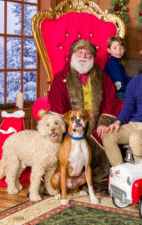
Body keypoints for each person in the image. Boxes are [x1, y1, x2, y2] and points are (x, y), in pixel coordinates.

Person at [47, 39, 122, 189]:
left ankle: (93, 179)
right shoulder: (61, 78)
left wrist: (103, 123)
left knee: (105, 140)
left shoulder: (103, 77)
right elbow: (56, 106)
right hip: (71, 128)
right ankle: (68, 179)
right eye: (80, 52)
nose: (83, 56)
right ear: (73, 55)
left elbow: (111, 102)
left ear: (92, 58)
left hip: (96, 128)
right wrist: (69, 126)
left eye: (87, 53)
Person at [101, 43, 142, 165]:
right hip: (134, 124)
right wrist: (118, 122)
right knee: (108, 136)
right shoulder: (135, 82)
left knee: (136, 137)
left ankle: (139, 175)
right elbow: (128, 108)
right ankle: (122, 171)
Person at [104, 36, 130, 100]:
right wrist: (132, 92)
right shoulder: (112, 65)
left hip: (120, 91)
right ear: (109, 50)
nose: (118, 50)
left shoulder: (118, 63)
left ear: (124, 49)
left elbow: (126, 79)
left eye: (121, 48)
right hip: (115, 94)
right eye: (115, 48)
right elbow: (119, 85)